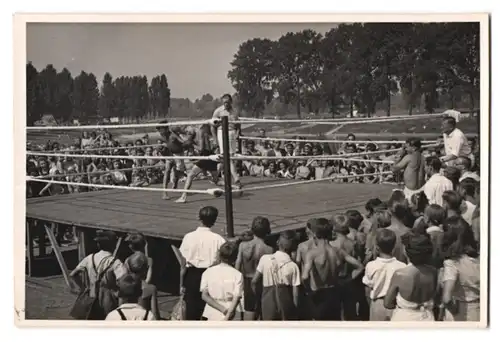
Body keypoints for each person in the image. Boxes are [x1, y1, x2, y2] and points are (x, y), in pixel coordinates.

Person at [178, 206, 226, 320]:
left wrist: (181, 284)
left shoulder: (188, 237)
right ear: (214, 220)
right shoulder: (219, 239)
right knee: (209, 311)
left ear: (199, 218)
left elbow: (183, 264)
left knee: (191, 311)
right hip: (210, 275)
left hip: (192, 275)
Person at [69, 230, 127, 319]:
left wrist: (82, 288)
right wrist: (117, 292)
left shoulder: (89, 258)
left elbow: (73, 274)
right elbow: (124, 280)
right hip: (108, 300)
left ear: (98, 245)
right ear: (113, 245)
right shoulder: (116, 262)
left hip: (90, 298)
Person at [384, 233, 438, 321]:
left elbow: (387, 303)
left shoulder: (400, 274)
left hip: (405, 318)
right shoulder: (433, 272)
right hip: (427, 317)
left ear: (406, 251)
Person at [251, 231, 301, 320]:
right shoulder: (293, 266)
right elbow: (295, 294)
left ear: (278, 243)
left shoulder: (265, 259)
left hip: (267, 299)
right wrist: (295, 310)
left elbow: (254, 281)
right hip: (285, 300)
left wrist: (259, 297)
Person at [440, 216, 480, 321]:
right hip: (480, 308)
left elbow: (447, 298)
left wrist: (454, 311)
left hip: (461, 311)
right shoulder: (479, 258)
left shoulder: (452, 263)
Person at [301, 218, 342, 320]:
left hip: (319, 293)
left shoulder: (312, 253)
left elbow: (305, 276)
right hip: (334, 292)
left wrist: (308, 290)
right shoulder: (337, 251)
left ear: (314, 234)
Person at [363, 229, 406, 321]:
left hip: (377, 304)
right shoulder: (402, 266)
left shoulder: (371, 265)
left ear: (377, 247)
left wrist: (371, 303)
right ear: (394, 247)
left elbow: (367, 289)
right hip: (395, 304)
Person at [235, 216, 274, 320]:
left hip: (247, 280)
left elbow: (238, 264)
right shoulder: (269, 249)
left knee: (249, 310)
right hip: (261, 281)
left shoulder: (243, 246)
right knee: (262, 309)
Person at [330, 214, 365, 321]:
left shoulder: (332, 245)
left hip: (336, 281)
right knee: (350, 312)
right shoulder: (352, 243)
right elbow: (359, 262)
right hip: (350, 280)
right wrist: (351, 278)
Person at [175, 124, 221, 203]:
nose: (187, 133)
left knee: (190, 175)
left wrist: (192, 144)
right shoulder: (202, 133)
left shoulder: (200, 133)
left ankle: (183, 197)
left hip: (206, 157)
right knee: (216, 180)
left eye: (187, 132)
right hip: (210, 156)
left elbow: (201, 149)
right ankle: (234, 187)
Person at [200, 241, 244, 320]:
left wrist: (222, 309)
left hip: (212, 310)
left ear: (220, 255)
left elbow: (204, 296)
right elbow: (236, 297)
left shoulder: (208, 272)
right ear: (235, 257)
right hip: (231, 310)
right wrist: (228, 315)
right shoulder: (237, 275)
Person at [211, 94, 242, 190]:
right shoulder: (218, 111)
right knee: (226, 155)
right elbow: (212, 126)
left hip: (232, 133)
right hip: (221, 132)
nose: (226, 104)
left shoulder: (235, 111)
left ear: (231, 102)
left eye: (228, 102)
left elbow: (238, 125)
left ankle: (215, 176)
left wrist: (237, 133)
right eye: (224, 102)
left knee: (229, 156)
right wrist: (215, 139)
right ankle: (236, 178)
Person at [124, 252, 161, 320]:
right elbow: (155, 314)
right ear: (145, 270)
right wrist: (150, 267)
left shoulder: (123, 286)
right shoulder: (150, 289)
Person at [156, 120, 186, 200]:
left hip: (178, 154)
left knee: (178, 171)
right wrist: (161, 149)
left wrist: (180, 136)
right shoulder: (161, 136)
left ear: (165, 129)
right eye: (158, 129)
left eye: (160, 129)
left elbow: (184, 142)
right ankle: (164, 192)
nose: (159, 131)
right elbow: (159, 147)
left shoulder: (173, 135)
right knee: (167, 171)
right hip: (169, 154)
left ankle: (175, 182)